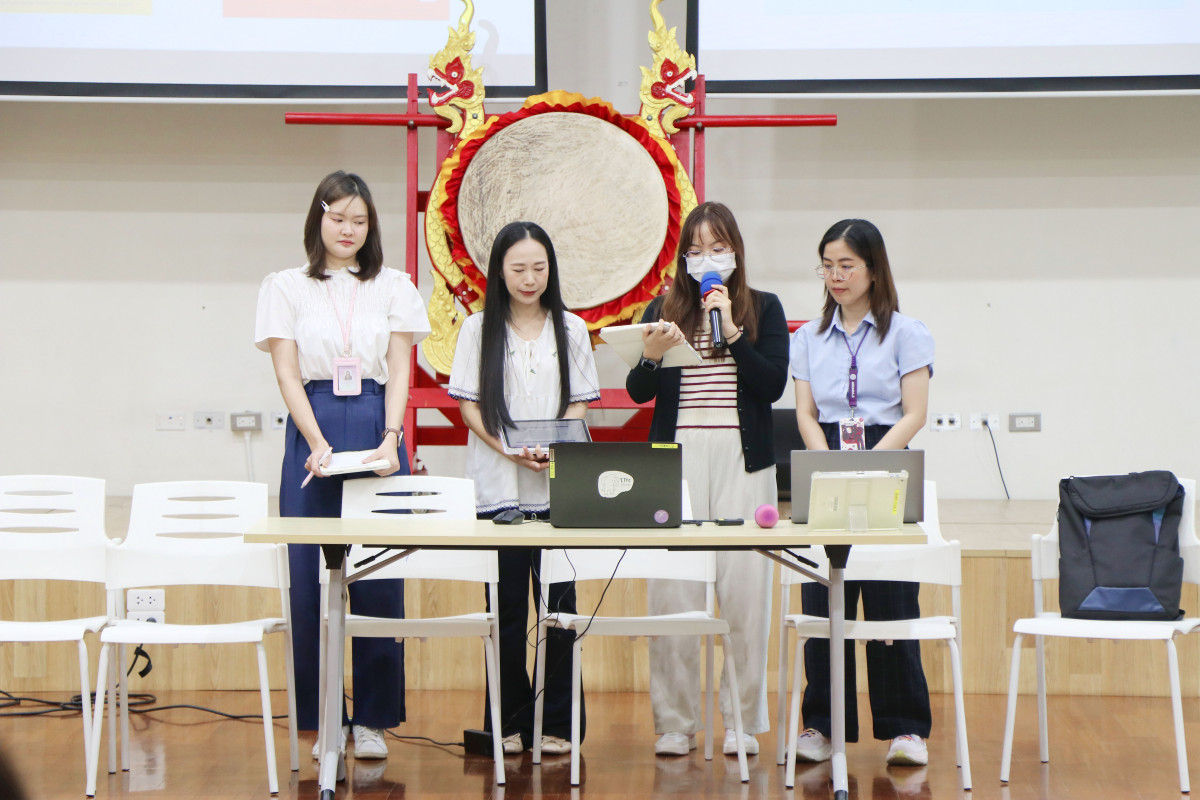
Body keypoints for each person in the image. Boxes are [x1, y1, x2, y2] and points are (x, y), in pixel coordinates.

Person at [255, 171, 430, 760]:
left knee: (379, 570)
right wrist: (315, 440)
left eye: (359, 220)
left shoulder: (395, 285)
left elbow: (401, 370)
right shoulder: (285, 286)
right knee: (309, 576)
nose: (348, 229)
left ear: (370, 225)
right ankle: (324, 717)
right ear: (318, 220)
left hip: (378, 421)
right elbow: (286, 372)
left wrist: (392, 437)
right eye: (337, 218)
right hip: (315, 422)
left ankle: (374, 719)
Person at [626, 201, 790, 757]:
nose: (707, 259)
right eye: (695, 250)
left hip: (744, 460)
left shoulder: (763, 308)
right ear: (683, 259)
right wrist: (650, 357)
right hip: (676, 459)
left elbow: (771, 386)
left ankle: (742, 720)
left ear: (736, 253)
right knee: (672, 594)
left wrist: (734, 332)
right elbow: (639, 392)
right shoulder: (664, 308)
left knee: (745, 594)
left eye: (717, 248)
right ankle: (675, 721)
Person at [447, 221, 600, 755]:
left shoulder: (572, 329)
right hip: (499, 485)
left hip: (557, 485)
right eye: (518, 269)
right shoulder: (477, 328)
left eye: (539, 268)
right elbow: (468, 406)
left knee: (559, 608)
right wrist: (508, 448)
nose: (530, 279)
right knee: (506, 610)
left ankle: (558, 725)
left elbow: (579, 402)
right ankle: (508, 724)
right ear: (499, 272)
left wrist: (555, 446)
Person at [789, 218, 934, 766]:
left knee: (891, 599)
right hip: (826, 453)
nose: (836, 276)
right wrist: (827, 464)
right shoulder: (808, 337)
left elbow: (914, 412)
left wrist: (873, 464)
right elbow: (806, 412)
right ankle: (823, 725)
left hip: (887, 453)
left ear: (873, 269)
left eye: (846, 265)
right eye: (827, 265)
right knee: (824, 602)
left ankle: (905, 729)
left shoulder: (907, 332)